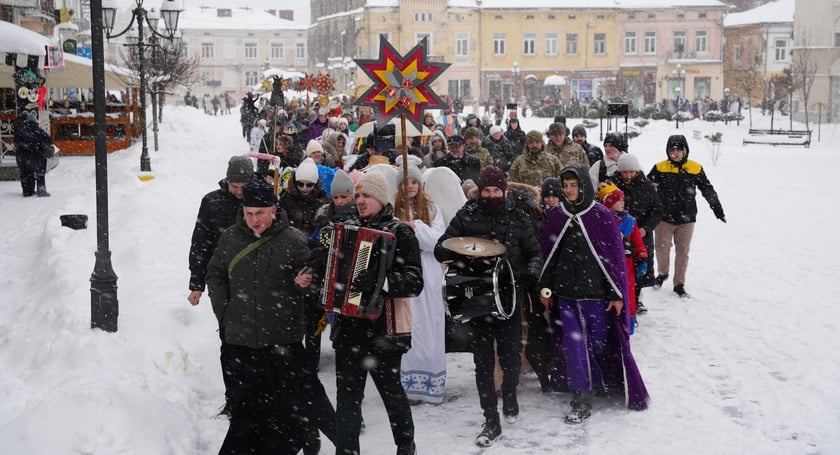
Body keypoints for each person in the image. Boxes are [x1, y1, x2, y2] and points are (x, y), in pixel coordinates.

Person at [205, 180, 336, 454]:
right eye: (249, 213)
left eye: (260, 213)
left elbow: (313, 280)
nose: (254, 220)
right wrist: (224, 312)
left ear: (274, 211)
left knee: (287, 406)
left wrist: (306, 282)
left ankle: (308, 434)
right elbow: (215, 273)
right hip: (239, 342)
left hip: (280, 342)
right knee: (244, 411)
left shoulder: (293, 240)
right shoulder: (230, 238)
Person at [434, 166, 542, 448]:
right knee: (482, 361)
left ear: (504, 191)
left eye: (496, 191)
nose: (491, 195)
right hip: (477, 297)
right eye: (486, 191)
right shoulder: (467, 214)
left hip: (510, 296)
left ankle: (509, 391)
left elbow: (534, 253)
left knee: (510, 357)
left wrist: (530, 275)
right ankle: (490, 419)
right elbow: (441, 248)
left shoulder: (518, 217)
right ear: (479, 192)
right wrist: (455, 252)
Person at [539, 164, 650, 424]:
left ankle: (603, 381)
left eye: (573, 185)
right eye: (565, 186)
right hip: (566, 294)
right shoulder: (557, 215)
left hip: (597, 295)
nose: (568, 191)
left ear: (584, 186)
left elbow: (613, 261)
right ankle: (581, 395)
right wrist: (546, 288)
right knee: (574, 344)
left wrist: (615, 294)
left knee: (600, 343)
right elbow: (549, 256)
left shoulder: (600, 215)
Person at [331, 171, 423, 455]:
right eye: (357, 195)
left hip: (385, 329)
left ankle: (406, 445)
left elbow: (415, 281)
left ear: (381, 199)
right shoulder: (345, 227)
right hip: (348, 329)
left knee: (391, 394)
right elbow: (331, 269)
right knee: (347, 400)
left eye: (366, 195)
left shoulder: (400, 231)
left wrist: (381, 281)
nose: (359, 200)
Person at [187, 156, 255, 415]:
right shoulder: (212, 202)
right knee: (230, 341)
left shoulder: (260, 197)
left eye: (243, 186)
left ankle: (257, 397)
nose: (239, 191)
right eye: (234, 186)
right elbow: (200, 243)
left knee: (258, 342)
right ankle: (235, 399)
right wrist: (197, 283)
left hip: (258, 281)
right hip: (224, 282)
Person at [393, 158, 447, 405]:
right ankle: (409, 386)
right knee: (409, 325)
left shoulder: (432, 209)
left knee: (431, 326)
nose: (411, 186)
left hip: (428, 270)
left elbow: (438, 241)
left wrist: (417, 227)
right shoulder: (393, 210)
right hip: (406, 272)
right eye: (406, 182)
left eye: (415, 181)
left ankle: (431, 384)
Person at [647, 134, 726, 298]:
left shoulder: (695, 168)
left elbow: (707, 190)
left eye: (678, 150)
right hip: (664, 219)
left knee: (683, 252)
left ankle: (679, 284)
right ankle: (662, 273)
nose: (674, 153)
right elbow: (646, 187)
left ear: (685, 151)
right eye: (671, 150)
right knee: (662, 250)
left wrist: (717, 209)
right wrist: (650, 187)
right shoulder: (660, 167)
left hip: (687, 219)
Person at [278, 158, 330, 373]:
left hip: (315, 262)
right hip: (290, 261)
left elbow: (326, 232)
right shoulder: (285, 200)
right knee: (289, 312)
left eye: (310, 185)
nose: (305, 189)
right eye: (301, 184)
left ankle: (311, 360)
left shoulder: (324, 202)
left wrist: (314, 250)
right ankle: (290, 356)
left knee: (314, 315)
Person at [610, 153, 662, 314]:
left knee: (639, 267)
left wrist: (645, 228)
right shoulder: (612, 184)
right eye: (625, 172)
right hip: (618, 234)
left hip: (641, 235)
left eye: (631, 172)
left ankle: (636, 299)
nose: (628, 175)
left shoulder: (646, 186)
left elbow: (657, 210)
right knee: (618, 267)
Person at [596, 181, 649, 333]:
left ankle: (628, 324)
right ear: (609, 203)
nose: (622, 202)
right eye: (618, 200)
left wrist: (642, 258)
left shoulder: (630, 222)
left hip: (627, 266)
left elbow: (638, 242)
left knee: (628, 295)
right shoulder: (601, 221)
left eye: (622, 199)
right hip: (607, 265)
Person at [13, 117, 53, 197]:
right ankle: (41, 190)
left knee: (26, 173)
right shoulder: (37, 130)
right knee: (40, 173)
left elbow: (16, 143)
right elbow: (48, 139)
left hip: (23, 157)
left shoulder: (20, 131)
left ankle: (27, 191)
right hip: (37, 156)